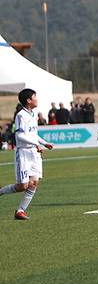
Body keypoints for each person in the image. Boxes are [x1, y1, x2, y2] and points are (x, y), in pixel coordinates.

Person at [0, 89, 54, 219]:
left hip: (33, 153)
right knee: (22, 186)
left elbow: (33, 134)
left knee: (34, 182)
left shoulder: (32, 114)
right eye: (35, 97)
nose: (37, 99)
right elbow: (20, 136)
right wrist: (37, 144)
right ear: (28, 100)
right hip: (23, 153)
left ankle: (20, 211)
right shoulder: (21, 115)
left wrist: (44, 143)